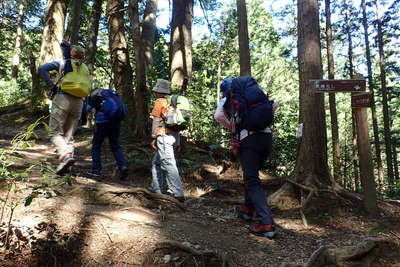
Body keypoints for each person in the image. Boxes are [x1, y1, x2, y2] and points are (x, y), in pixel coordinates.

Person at [214, 76, 279, 238]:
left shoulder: (230, 99)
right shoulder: (256, 95)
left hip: (249, 140)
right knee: (252, 177)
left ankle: (266, 223)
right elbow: (275, 105)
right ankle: (247, 210)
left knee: (252, 180)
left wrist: (235, 127)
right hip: (267, 139)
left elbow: (218, 116)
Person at [38, 42, 91, 175]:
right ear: (82, 56)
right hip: (79, 103)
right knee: (69, 136)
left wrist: (51, 85)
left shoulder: (63, 63)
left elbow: (42, 69)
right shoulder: (85, 68)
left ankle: (65, 156)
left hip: (62, 100)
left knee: (54, 132)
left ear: (71, 54)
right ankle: (66, 168)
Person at [149, 79, 185, 202]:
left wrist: (154, 137)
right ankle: (156, 188)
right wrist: (178, 142)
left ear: (158, 91)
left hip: (163, 136)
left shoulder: (160, 102)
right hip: (174, 137)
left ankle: (177, 192)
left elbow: (156, 120)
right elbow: (178, 124)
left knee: (169, 163)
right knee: (156, 162)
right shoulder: (173, 103)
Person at [85, 89, 128, 180]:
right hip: (116, 122)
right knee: (115, 146)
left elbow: (86, 109)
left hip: (102, 123)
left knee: (96, 146)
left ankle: (96, 169)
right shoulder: (112, 95)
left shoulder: (95, 97)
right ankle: (123, 166)